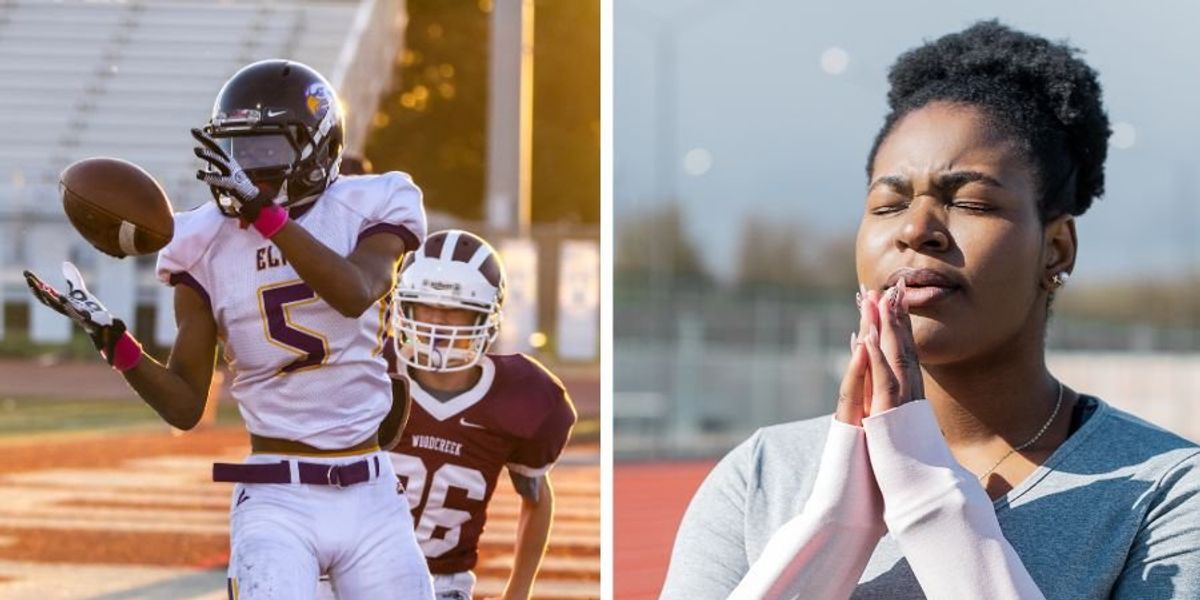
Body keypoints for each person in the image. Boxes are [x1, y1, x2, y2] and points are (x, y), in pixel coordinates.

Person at [661, 21, 1200, 599]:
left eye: (970, 201)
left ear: (1057, 247)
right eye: (887, 205)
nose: (917, 230)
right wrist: (829, 537)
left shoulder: (1166, 491)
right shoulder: (762, 475)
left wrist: (929, 501)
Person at [25, 59, 434, 600]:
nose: (248, 170)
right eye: (237, 151)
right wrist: (114, 341)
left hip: (373, 491)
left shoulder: (370, 203)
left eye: (268, 151)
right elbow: (185, 405)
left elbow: (355, 292)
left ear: (318, 148)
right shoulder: (202, 239)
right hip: (276, 500)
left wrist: (268, 217)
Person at [390, 229, 578, 600]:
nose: (438, 323)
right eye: (426, 305)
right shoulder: (369, 372)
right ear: (404, 306)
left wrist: (517, 593)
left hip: (441, 585)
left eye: (455, 310)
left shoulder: (524, 397)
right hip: (346, 574)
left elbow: (536, 498)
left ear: (485, 317)